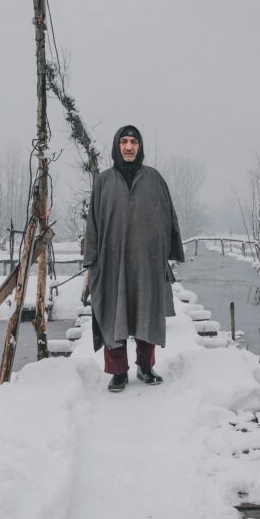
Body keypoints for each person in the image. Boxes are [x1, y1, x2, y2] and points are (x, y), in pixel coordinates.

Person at [83, 125, 185, 392]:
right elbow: (92, 224)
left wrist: (168, 254)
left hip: (147, 262)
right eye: (124, 142)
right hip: (111, 262)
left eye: (134, 142)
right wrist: (91, 261)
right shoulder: (103, 182)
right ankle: (117, 372)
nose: (129, 147)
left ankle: (145, 366)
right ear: (117, 146)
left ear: (140, 147)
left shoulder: (154, 179)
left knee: (146, 314)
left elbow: (169, 217)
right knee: (112, 313)